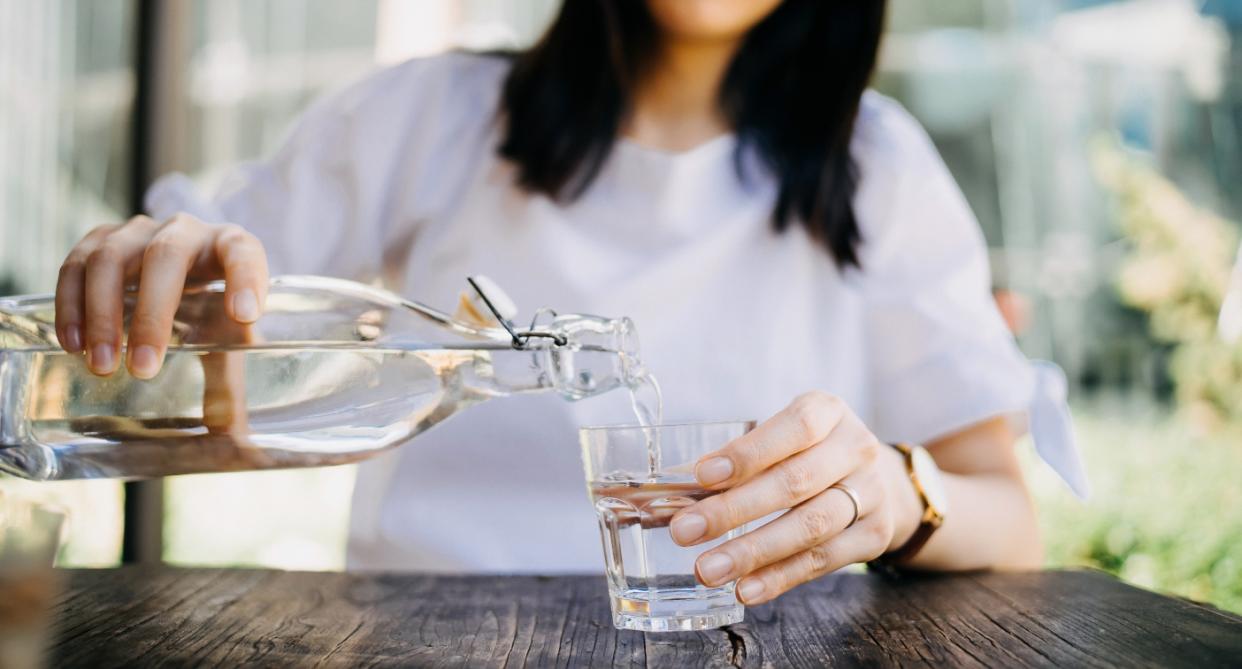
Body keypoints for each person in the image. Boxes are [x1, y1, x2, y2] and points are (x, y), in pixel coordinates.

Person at [54, 0, 1083, 604]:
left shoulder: (877, 167)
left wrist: (898, 492)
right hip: (415, 643)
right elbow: (216, 287)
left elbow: (1011, 518)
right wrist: (169, 274)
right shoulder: (432, 115)